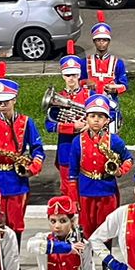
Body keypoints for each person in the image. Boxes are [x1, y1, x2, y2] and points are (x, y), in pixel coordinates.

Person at [0, 64, 45, 236]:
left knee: (16, 224)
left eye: (5, 100)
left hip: (17, 178)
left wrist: (31, 168)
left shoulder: (25, 122)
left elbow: (38, 148)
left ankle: (14, 261)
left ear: (14, 99)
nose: (1, 104)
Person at [66, 94, 133, 235]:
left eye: (100, 116)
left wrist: (120, 171)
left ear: (107, 120)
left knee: (106, 232)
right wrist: (73, 198)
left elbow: (128, 159)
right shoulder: (77, 142)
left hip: (107, 191)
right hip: (85, 191)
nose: (96, 120)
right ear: (86, 118)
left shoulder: (115, 141)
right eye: (92, 116)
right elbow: (72, 173)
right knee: (86, 232)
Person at [44, 43, 92, 201]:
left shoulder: (89, 96)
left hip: (87, 147)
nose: (71, 78)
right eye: (67, 75)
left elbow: (105, 117)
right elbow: (49, 125)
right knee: (67, 189)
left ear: (79, 75)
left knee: (85, 188)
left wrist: (87, 125)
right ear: (63, 76)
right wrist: (72, 127)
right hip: (66, 148)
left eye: (74, 75)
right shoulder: (58, 97)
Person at [81, 11, 129, 102]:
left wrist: (114, 89)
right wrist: (86, 82)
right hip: (90, 100)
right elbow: (78, 82)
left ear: (109, 42)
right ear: (94, 42)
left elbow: (124, 85)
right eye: (98, 40)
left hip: (110, 101)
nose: (101, 42)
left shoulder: (118, 63)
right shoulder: (85, 62)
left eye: (105, 40)